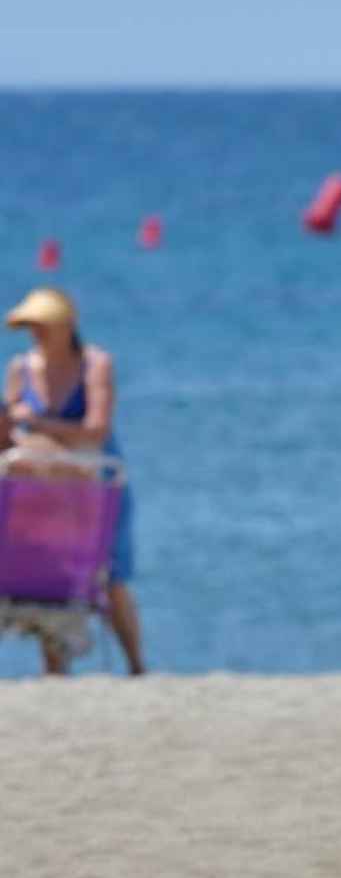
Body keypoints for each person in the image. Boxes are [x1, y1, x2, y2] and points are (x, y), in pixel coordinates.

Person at [4, 287, 145, 676]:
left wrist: (37, 425)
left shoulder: (95, 364)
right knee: (48, 574)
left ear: (65, 327)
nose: (35, 333)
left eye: (42, 325)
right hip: (41, 486)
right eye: (30, 326)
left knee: (111, 573)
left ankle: (136, 666)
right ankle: (55, 669)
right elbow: (10, 432)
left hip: (96, 485)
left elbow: (96, 430)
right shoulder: (21, 368)